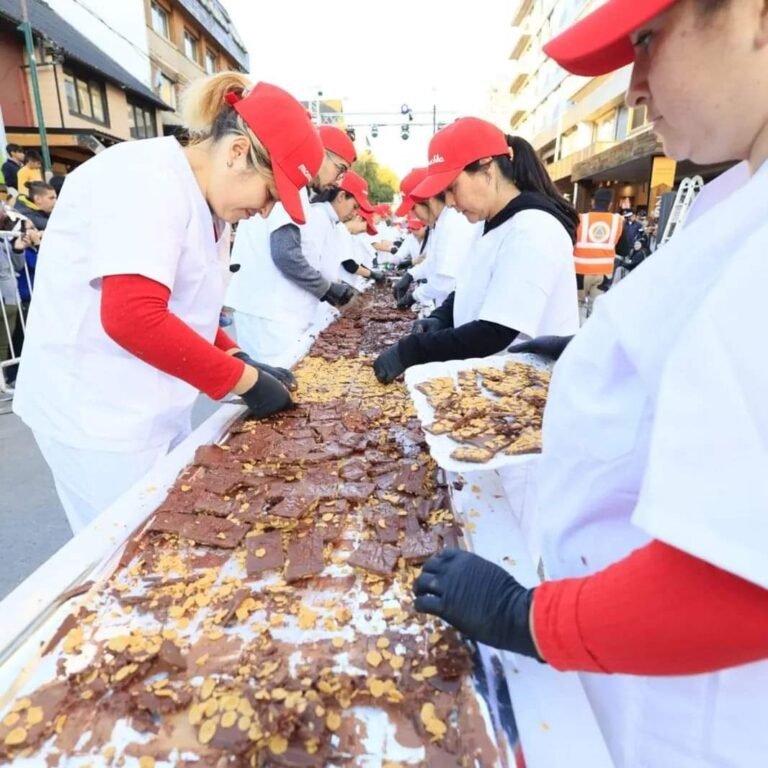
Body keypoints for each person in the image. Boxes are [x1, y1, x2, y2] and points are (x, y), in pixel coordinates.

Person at [413, 1, 768, 765]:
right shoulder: (735, 194)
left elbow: (741, 585)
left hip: (693, 710)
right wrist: (575, 357)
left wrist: (530, 618)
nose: (634, 84)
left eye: (647, 41)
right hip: (627, 662)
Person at [13, 73, 324, 533]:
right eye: (270, 193)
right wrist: (245, 380)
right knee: (128, 551)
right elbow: (132, 316)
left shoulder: (205, 199)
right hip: (98, 414)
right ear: (237, 153)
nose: (264, 211)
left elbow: (184, 307)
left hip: (148, 401)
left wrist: (236, 353)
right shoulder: (144, 179)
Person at [374, 120, 579, 384]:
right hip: (495, 384)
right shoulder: (490, 225)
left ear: (487, 170)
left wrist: (411, 351)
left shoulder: (533, 228)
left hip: (528, 392)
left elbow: (494, 333)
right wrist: (441, 317)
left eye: (452, 187)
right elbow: (472, 287)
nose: (449, 202)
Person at [224, 125, 359, 366]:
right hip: (270, 314)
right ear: (320, 153)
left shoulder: (300, 191)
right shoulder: (290, 184)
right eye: (340, 170)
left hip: (274, 312)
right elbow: (286, 254)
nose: (337, 181)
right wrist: (327, 289)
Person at [391, 166, 479, 311]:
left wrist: (414, 296)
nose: (413, 215)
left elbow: (445, 282)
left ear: (429, 199)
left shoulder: (453, 223)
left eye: (414, 208)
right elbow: (434, 262)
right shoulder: (439, 224)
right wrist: (411, 275)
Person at [575, 187, 630, 301]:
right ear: (610, 204)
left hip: (580, 272)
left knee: (576, 309)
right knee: (597, 310)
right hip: (604, 274)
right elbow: (624, 250)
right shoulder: (617, 221)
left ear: (593, 201)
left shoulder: (580, 219)